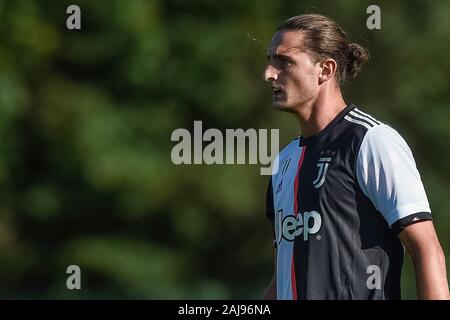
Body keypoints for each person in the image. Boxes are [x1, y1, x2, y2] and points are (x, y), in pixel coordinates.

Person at [262, 14, 449, 300]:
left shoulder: (372, 141)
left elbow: (427, 249)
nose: (269, 74)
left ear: (325, 69)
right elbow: (284, 277)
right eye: (270, 60)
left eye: (284, 62)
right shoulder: (284, 163)